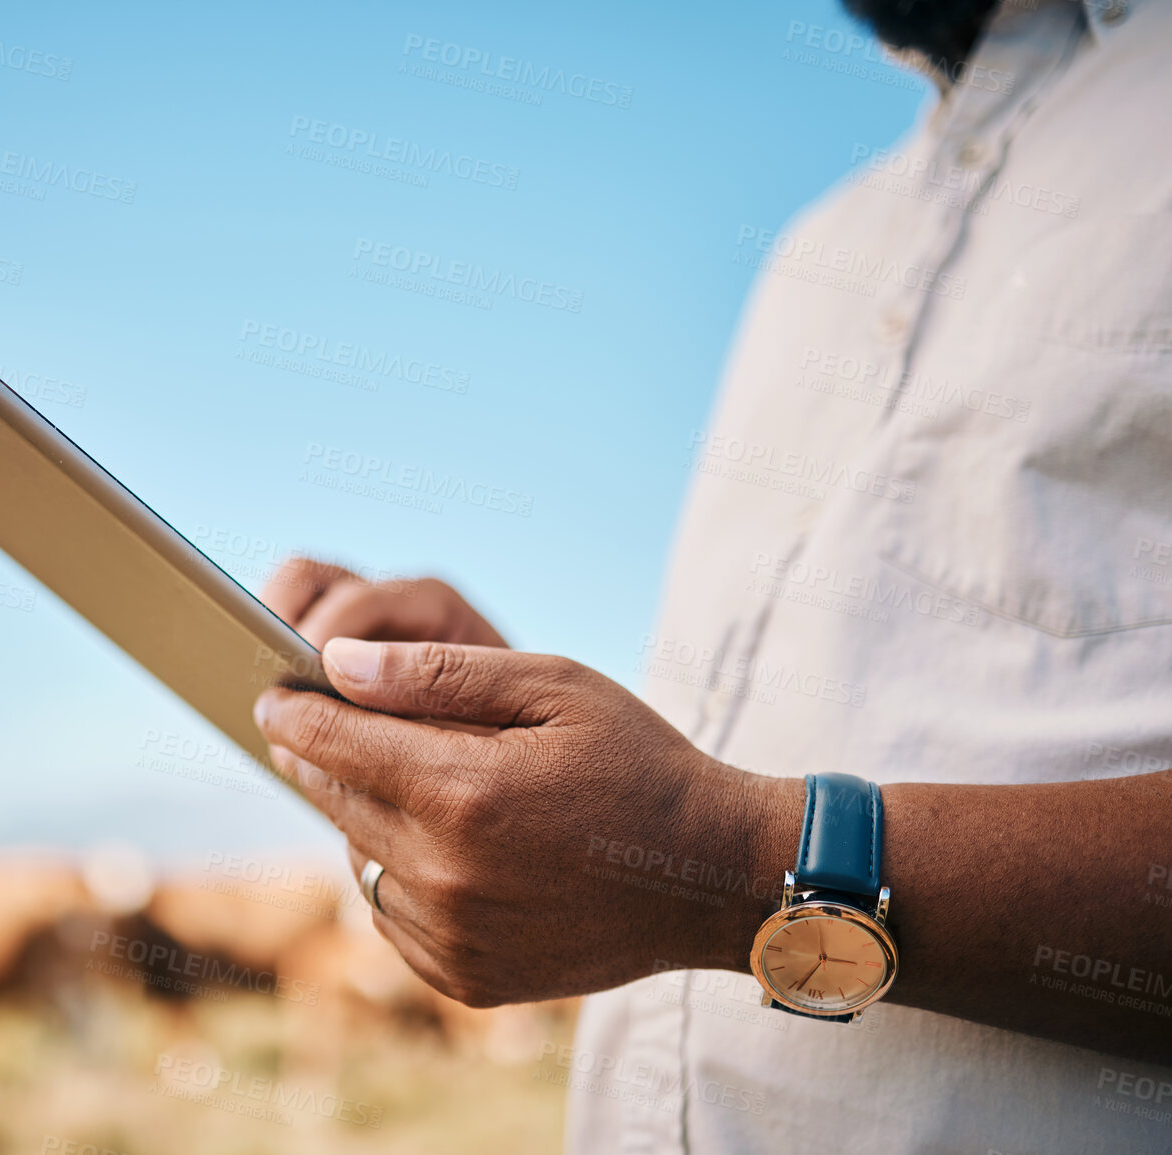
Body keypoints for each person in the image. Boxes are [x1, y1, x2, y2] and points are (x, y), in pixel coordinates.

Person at [252, 0, 1172, 1149]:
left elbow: (719, 848)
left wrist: (724, 867)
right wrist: (530, 780)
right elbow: (720, 813)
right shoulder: (822, 253)